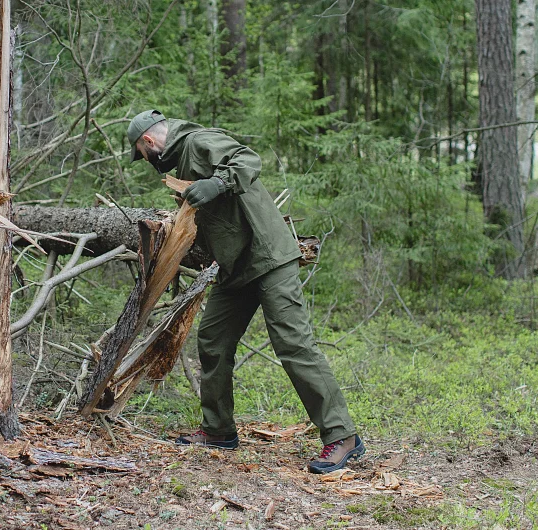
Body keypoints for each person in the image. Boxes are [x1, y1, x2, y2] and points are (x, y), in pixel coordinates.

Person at [126, 109, 365, 474]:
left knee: (293, 343)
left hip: (267, 258)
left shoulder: (196, 141)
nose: (146, 162)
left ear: (147, 142)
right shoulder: (181, 162)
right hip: (236, 269)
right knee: (212, 340)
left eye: (142, 155)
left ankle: (342, 435)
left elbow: (248, 159)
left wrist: (217, 184)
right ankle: (218, 430)